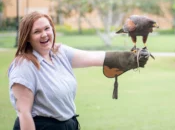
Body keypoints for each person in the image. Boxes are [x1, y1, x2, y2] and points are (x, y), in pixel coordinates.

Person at [8, 11, 150, 130]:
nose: (44, 34)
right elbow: (24, 113)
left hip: (68, 124)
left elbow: (94, 57)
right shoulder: (24, 66)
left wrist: (131, 58)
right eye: (37, 32)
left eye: (47, 28)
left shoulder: (59, 52)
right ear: (27, 38)